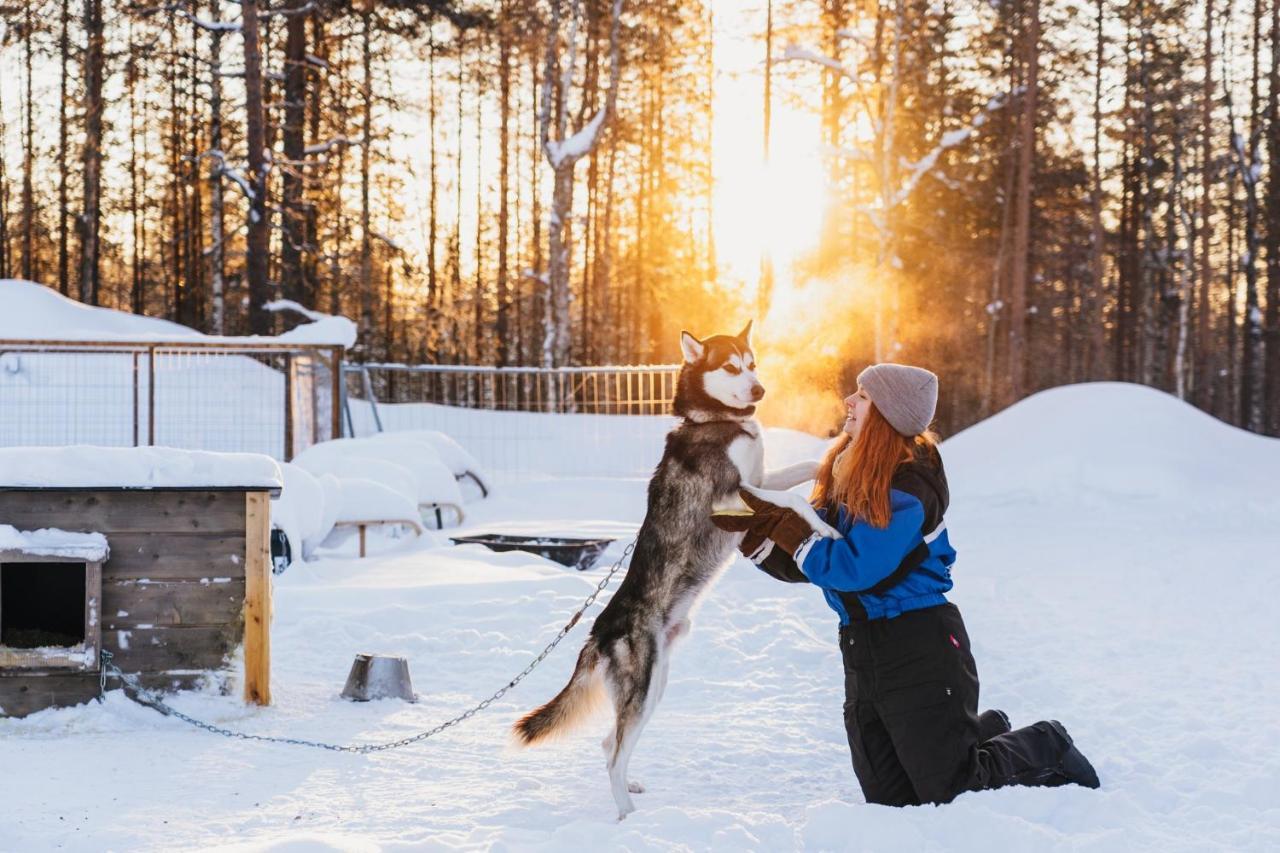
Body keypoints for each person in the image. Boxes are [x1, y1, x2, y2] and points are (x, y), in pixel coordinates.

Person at [713, 363, 1099, 806]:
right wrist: (744, 525)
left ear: (887, 414)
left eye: (863, 395)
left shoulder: (909, 488)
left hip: (919, 647)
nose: (849, 402)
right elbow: (812, 561)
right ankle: (972, 730)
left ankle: (1046, 742)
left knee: (951, 788)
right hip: (863, 651)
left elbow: (852, 568)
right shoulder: (849, 474)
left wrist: (786, 523)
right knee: (892, 800)